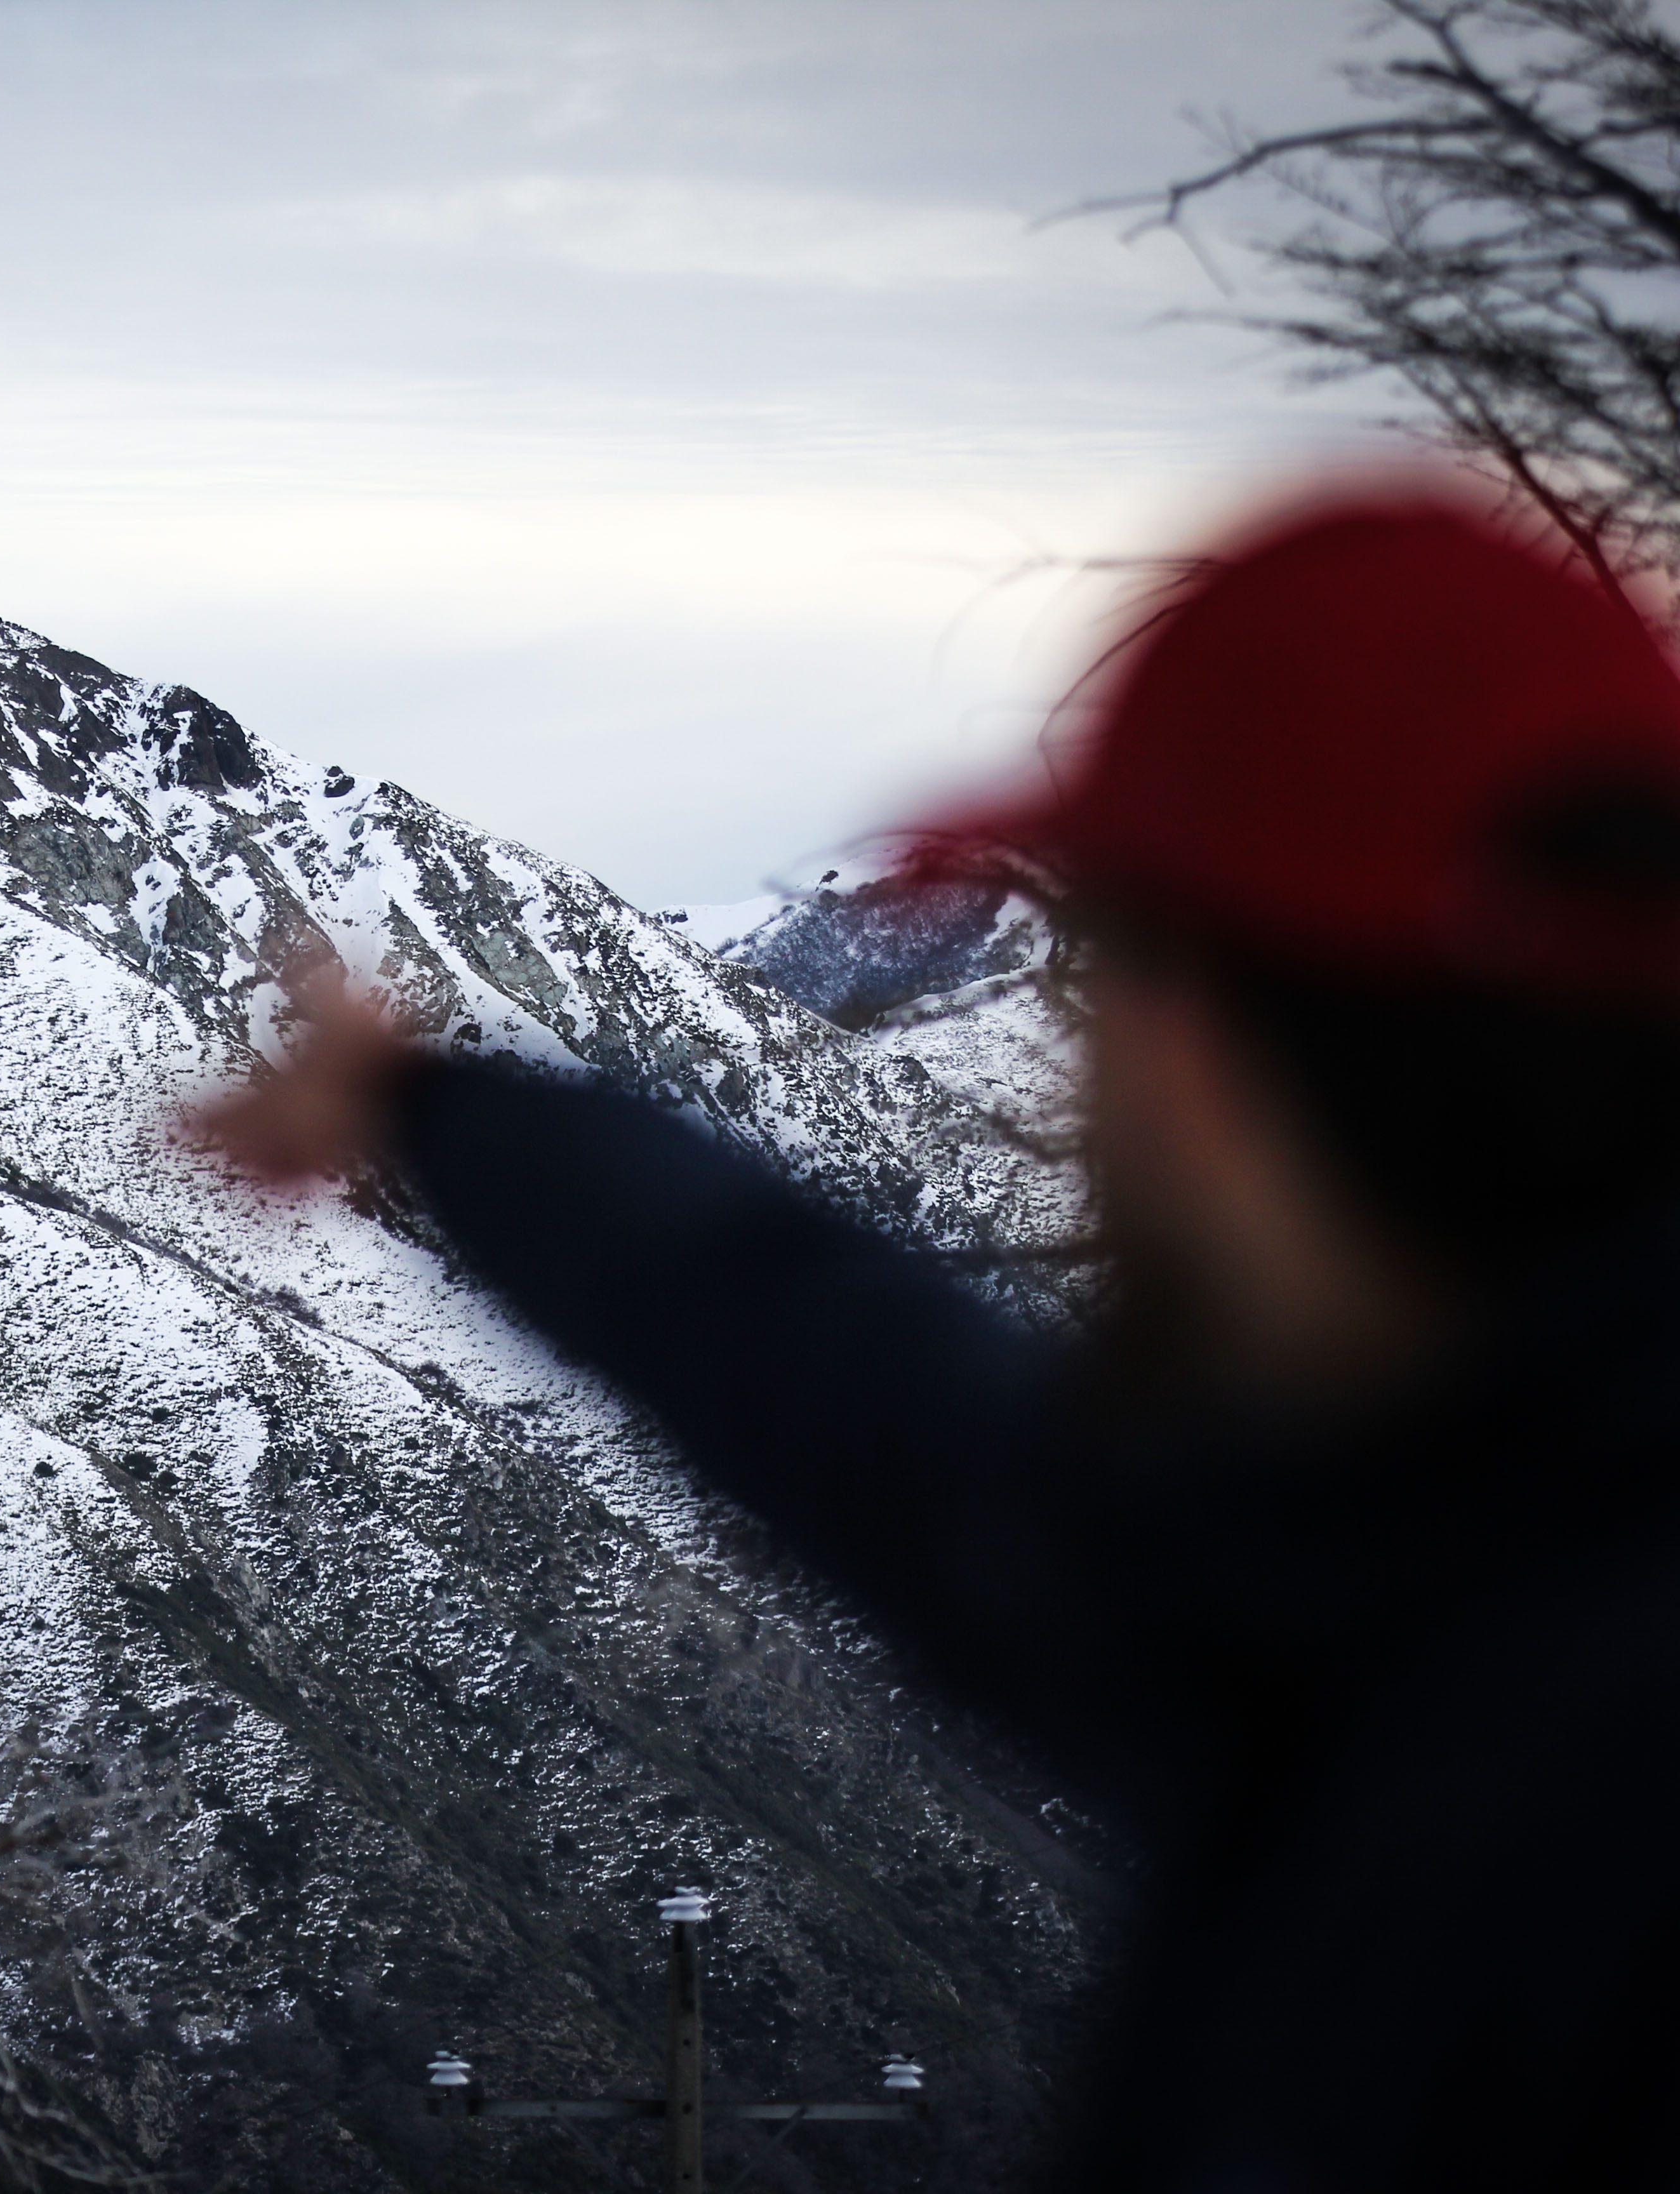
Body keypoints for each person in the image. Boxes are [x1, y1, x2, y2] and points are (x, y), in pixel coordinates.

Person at [198, 488, 1680, 2193]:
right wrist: (427, 1111)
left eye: (1086, 961)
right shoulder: (1367, 1543)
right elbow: (831, 1365)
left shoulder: (1420, 1649)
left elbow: (835, 1367)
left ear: (1190, 1044)